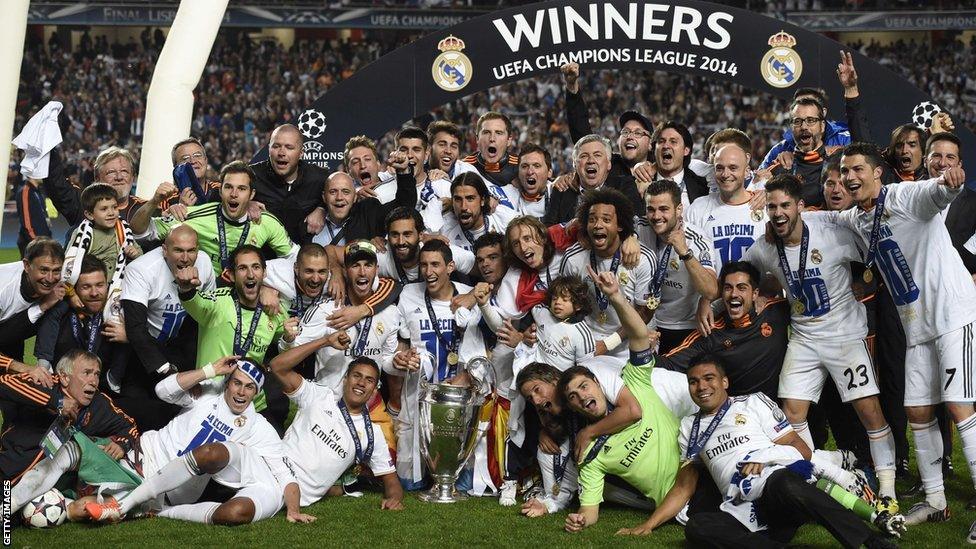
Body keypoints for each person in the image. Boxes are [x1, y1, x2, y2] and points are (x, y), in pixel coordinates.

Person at [830, 143, 976, 531]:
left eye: (858, 169)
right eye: (845, 171)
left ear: (879, 172)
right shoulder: (857, 218)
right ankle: (935, 500)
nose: (849, 177)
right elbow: (830, 219)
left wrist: (951, 185)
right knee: (917, 412)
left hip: (952, 314)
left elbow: (936, 193)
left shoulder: (905, 195)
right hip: (917, 325)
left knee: (960, 409)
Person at [634, 355, 896, 548]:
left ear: (724, 381)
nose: (701, 387)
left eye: (708, 378)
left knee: (784, 482)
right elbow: (683, 487)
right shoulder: (689, 427)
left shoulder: (753, 402)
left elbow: (800, 449)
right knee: (698, 527)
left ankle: (868, 540)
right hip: (739, 508)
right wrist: (648, 525)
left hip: (777, 495)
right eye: (693, 382)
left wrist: (765, 457)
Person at [743, 174, 897, 502]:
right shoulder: (766, 245)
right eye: (772, 206)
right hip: (804, 338)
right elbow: (741, 272)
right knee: (791, 412)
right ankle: (821, 477)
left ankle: (887, 490)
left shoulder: (832, 230)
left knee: (870, 412)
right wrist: (739, 294)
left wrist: (867, 283)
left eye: (786, 205)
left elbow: (877, 251)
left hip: (845, 337)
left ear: (801, 206)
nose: (779, 213)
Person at [84, 357, 312, 526]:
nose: (241, 392)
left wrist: (293, 510)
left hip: (169, 491)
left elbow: (285, 475)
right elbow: (162, 390)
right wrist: (209, 370)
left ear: (256, 393)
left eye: (249, 387)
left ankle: (129, 506)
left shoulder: (257, 427)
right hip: (143, 454)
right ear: (227, 383)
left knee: (83, 508)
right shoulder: (207, 393)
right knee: (81, 465)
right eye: (237, 383)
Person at [561, 265, 680, 534]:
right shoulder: (588, 455)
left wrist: (616, 297)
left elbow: (639, 335)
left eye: (584, 386)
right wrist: (581, 518)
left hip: (700, 466)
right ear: (572, 407)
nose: (582, 396)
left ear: (598, 385)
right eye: (573, 397)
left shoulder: (633, 382)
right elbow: (590, 508)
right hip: (677, 504)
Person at [389, 240, 488, 492]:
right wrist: (400, 358)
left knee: (462, 483)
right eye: (423, 265)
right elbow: (402, 340)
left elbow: (480, 348)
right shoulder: (409, 294)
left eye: (435, 264)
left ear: (450, 266)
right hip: (419, 395)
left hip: (458, 395)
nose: (428, 271)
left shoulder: (469, 294)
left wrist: (468, 376)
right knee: (410, 484)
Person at [175, 244, 295, 430]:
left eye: (256, 267)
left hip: (252, 402)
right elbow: (194, 302)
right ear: (231, 275)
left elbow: (285, 348)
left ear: (264, 273)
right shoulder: (218, 302)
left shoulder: (275, 312)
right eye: (242, 268)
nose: (250, 274)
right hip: (210, 396)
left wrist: (288, 339)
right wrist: (185, 288)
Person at [270, 347, 404, 511]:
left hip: (296, 494)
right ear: (345, 379)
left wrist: (393, 499)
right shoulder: (319, 395)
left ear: (374, 390)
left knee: (239, 509)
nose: (361, 383)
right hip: (272, 467)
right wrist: (324, 341)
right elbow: (277, 367)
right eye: (356, 376)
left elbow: (391, 479)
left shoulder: (372, 434)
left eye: (369, 380)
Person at [120, 225, 216, 429]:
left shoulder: (205, 263)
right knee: (135, 414)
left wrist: (192, 369)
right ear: (165, 250)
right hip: (144, 349)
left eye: (191, 250)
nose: (185, 258)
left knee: (178, 415)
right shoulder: (141, 269)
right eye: (178, 250)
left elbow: (207, 313)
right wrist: (166, 371)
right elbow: (136, 328)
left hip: (180, 345)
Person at [131, 161, 298, 277]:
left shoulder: (266, 221)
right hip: (205, 296)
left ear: (251, 194)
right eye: (228, 187)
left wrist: (270, 286)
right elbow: (141, 231)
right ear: (220, 191)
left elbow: (294, 257)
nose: (234, 194)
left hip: (247, 295)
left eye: (241, 189)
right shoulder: (194, 216)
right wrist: (154, 202)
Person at [6, 349, 137, 494]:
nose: (93, 382)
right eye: (86, 373)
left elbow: (129, 426)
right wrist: (56, 402)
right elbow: (4, 383)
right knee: (6, 513)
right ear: (64, 377)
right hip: (10, 466)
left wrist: (121, 444)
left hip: (50, 482)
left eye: (97, 374)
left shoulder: (100, 404)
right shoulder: (46, 383)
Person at [662, 262, 788, 400]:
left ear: (755, 294)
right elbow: (668, 363)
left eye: (742, 288)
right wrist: (642, 347)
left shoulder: (775, 311)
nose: (734, 294)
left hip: (776, 410)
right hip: (736, 412)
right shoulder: (712, 333)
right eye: (728, 288)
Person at [559, 189, 655, 351]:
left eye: (606, 219)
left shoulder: (643, 259)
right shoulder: (573, 257)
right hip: (587, 339)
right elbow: (563, 302)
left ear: (619, 226)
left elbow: (645, 311)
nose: (598, 225)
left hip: (631, 342)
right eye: (592, 220)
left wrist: (608, 344)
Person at [638, 179, 719, 352]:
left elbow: (711, 290)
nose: (656, 216)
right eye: (650, 209)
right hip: (647, 323)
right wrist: (628, 238)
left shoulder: (696, 240)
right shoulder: (638, 229)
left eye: (664, 209)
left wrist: (684, 252)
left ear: (679, 209)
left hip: (684, 327)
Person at [62, 182, 140, 323]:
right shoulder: (83, 234)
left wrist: (135, 254)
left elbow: (139, 255)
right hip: (89, 297)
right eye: (104, 209)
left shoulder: (123, 231)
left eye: (114, 207)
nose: (111, 213)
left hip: (117, 294)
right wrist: (71, 295)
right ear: (89, 214)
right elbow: (69, 266)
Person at [560, 62, 652, 178]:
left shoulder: (659, 170)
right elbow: (583, 136)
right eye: (625, 132)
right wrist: (572, 87)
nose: (629, 136)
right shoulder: (608, 165)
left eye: (638, 133)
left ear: (650, 144)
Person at [685, 144, 766, 274]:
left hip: (756, 293)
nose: (725, 174)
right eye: (719, 168)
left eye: (733, 168)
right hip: (711, 292)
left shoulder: (765, 207)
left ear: (747, 171)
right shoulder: (698, 208)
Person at [249, 124, 329, 245]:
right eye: (276, 146)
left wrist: (322, 208)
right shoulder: (251, 175)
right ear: (269, 149)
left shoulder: (319, 178)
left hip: (304, 256)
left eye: (289, 147)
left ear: (301, 153)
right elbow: (223, 191)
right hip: (264, 259)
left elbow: (344, 193)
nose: (281, 152)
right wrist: (245, 203)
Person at [542, 135, 643, 226]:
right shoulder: (562, 190)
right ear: (575, 165)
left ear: (608, 164)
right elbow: (549, 229)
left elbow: (634, 222)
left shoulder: (624, 186)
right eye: (584, 156)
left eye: (597, 155)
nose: (591, 160)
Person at [314, 160, 417, 246]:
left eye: (346, 192)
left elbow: (404, 205)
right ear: (324, 197)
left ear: (355, 196)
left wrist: (404, 172)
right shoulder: (309, 223)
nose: (339, 197)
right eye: (333, 192)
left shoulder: (369, 212)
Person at [0, 237, 65, 372]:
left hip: (12, 333)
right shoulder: (3, 286)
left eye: (56, 270)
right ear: (27, 266)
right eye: (43, 270)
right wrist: (26, 369)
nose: (50, 278)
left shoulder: (62, 280)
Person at [377, 207, 475, 284]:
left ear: (420, 235)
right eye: (395, 234)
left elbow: (485, 270)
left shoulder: (440, 252)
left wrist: (471, 296)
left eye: (407, 234)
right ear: (388, 236)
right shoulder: (382, 256)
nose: (401, 241)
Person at [440, 172, 517, 251]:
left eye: (470, 198)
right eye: (458, 199)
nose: (463, 207)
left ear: (482, 200)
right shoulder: (444, 228)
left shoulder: (506, 220)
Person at [461, 111, 519, 188]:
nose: (492, 138)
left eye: (498, 133)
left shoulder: (521, 166)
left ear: (508, 140)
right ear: (477, 139)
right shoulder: (463, 167)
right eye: (486, 132)